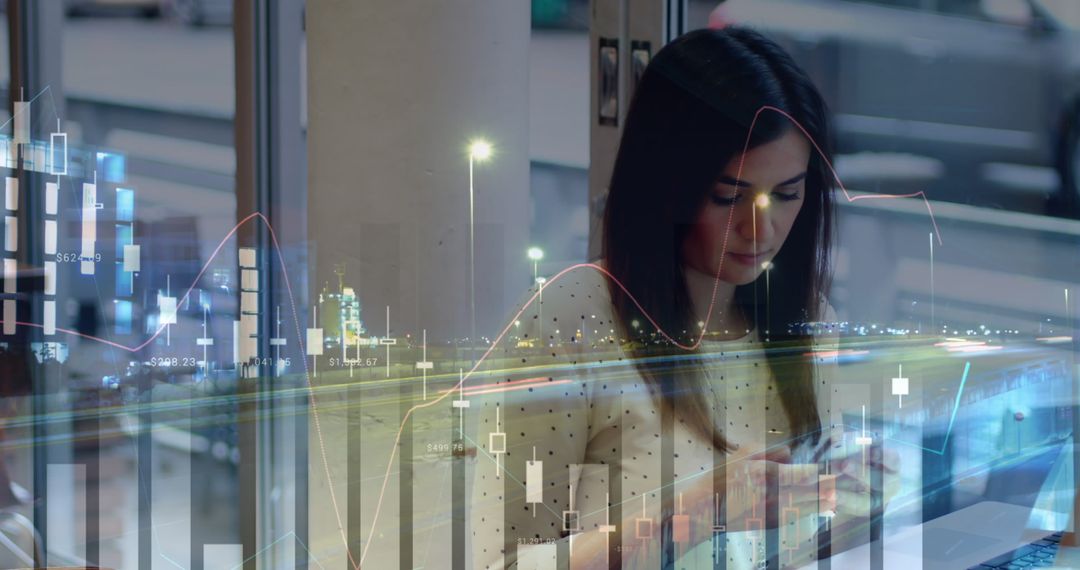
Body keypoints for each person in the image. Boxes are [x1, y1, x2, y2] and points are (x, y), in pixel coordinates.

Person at [468, 26, 897, 569]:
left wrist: (860, 502)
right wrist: (695, 513)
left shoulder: (808, 320)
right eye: (728, 196)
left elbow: (801, 546)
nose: (759, 229)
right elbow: (500, 563)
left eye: (787, 195)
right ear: (666, 183)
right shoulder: (571, 318)